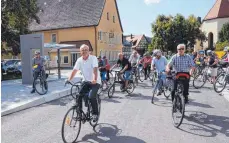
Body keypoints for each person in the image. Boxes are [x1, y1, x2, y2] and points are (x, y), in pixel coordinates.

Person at [67, 44, 101, 121]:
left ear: (89, 51)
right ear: (80, 52)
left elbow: (95, 69)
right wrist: (69, 79)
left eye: (86, 50)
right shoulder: (79, 60)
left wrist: (94, 79)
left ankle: (95, 113)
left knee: (91, 96)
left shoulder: (93, 58)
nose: (84, 51)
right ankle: (80, 114)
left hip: (95, 82)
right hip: (86, 81)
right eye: (82, 50)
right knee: (78, 95)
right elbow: (75, 70)